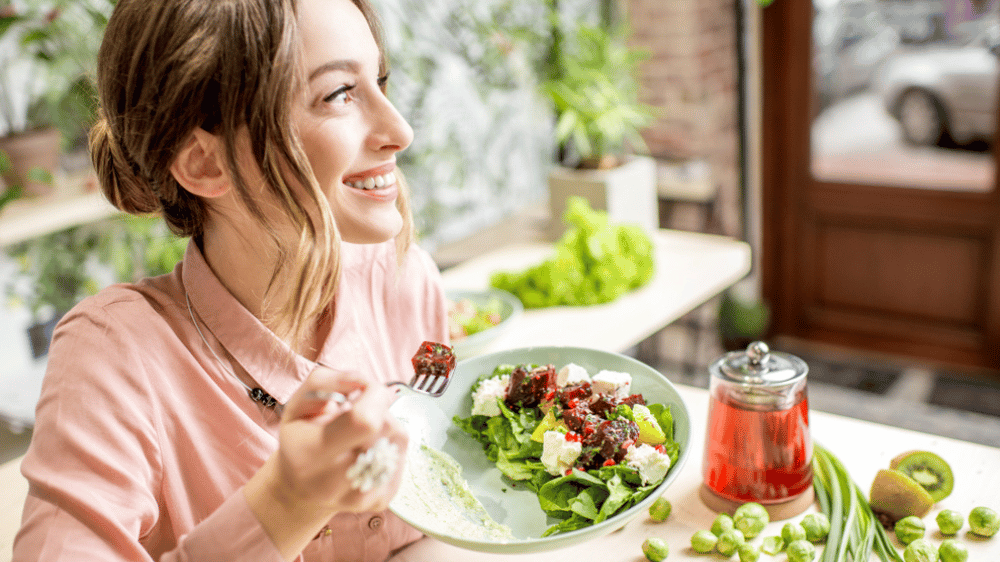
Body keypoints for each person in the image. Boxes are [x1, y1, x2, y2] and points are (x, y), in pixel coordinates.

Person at [13, 0, 449, 560]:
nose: (400, 131)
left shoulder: (406, 279)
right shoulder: (113, 356)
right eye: (339, 93)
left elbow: (451, 474)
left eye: (380, 81)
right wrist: (286, 503)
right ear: (204, 163)